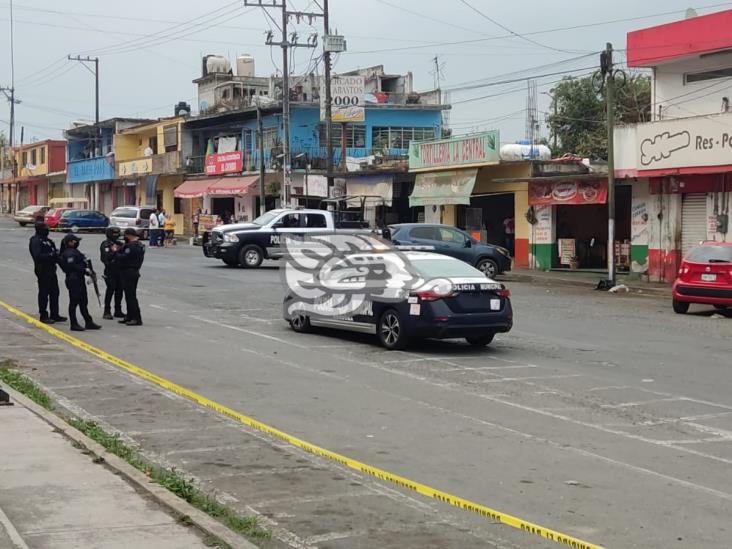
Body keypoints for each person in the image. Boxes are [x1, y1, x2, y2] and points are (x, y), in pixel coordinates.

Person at [59, 233, 101, 332]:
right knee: (74, 302)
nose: (77, 242)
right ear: (70, 242)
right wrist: (85, 270)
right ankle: (73, 323)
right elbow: (72, 266)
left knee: (83, 301)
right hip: (73, 279)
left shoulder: (74, 251)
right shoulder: (69, 253)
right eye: (75, 241)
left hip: (79, 278)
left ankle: (88, 321)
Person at [28, 222, 66, 324]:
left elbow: (56, 254)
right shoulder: (36, 241)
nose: (47, 230)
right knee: (44, 293)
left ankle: (55, 314)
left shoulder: (48, 241)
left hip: (51, 269)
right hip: (42, 269)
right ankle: (43, 315)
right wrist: (51, 255)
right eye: (45, 228)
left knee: (55, 292)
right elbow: (38, 256)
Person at [115, 228, 145, 326]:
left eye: (125, 235)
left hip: (130, 272)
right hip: (129, 272)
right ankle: (129, 316)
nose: (124, 237)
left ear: (129, 235)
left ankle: (136, 318)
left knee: (131, 296)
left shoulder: (133, 246)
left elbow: (123, 257)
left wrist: (116, 251)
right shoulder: (137, 245)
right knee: (128, 296)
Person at [100, 227, 125, 320]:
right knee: (110, 289)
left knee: (120, 290)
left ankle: (118, 310)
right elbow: (106, 257)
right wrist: (114, 251)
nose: (116, 235)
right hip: (110, 270)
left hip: (119, 270)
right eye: (114, 233)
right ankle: (107, 311)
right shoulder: (106, 244)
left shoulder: (119, 244)